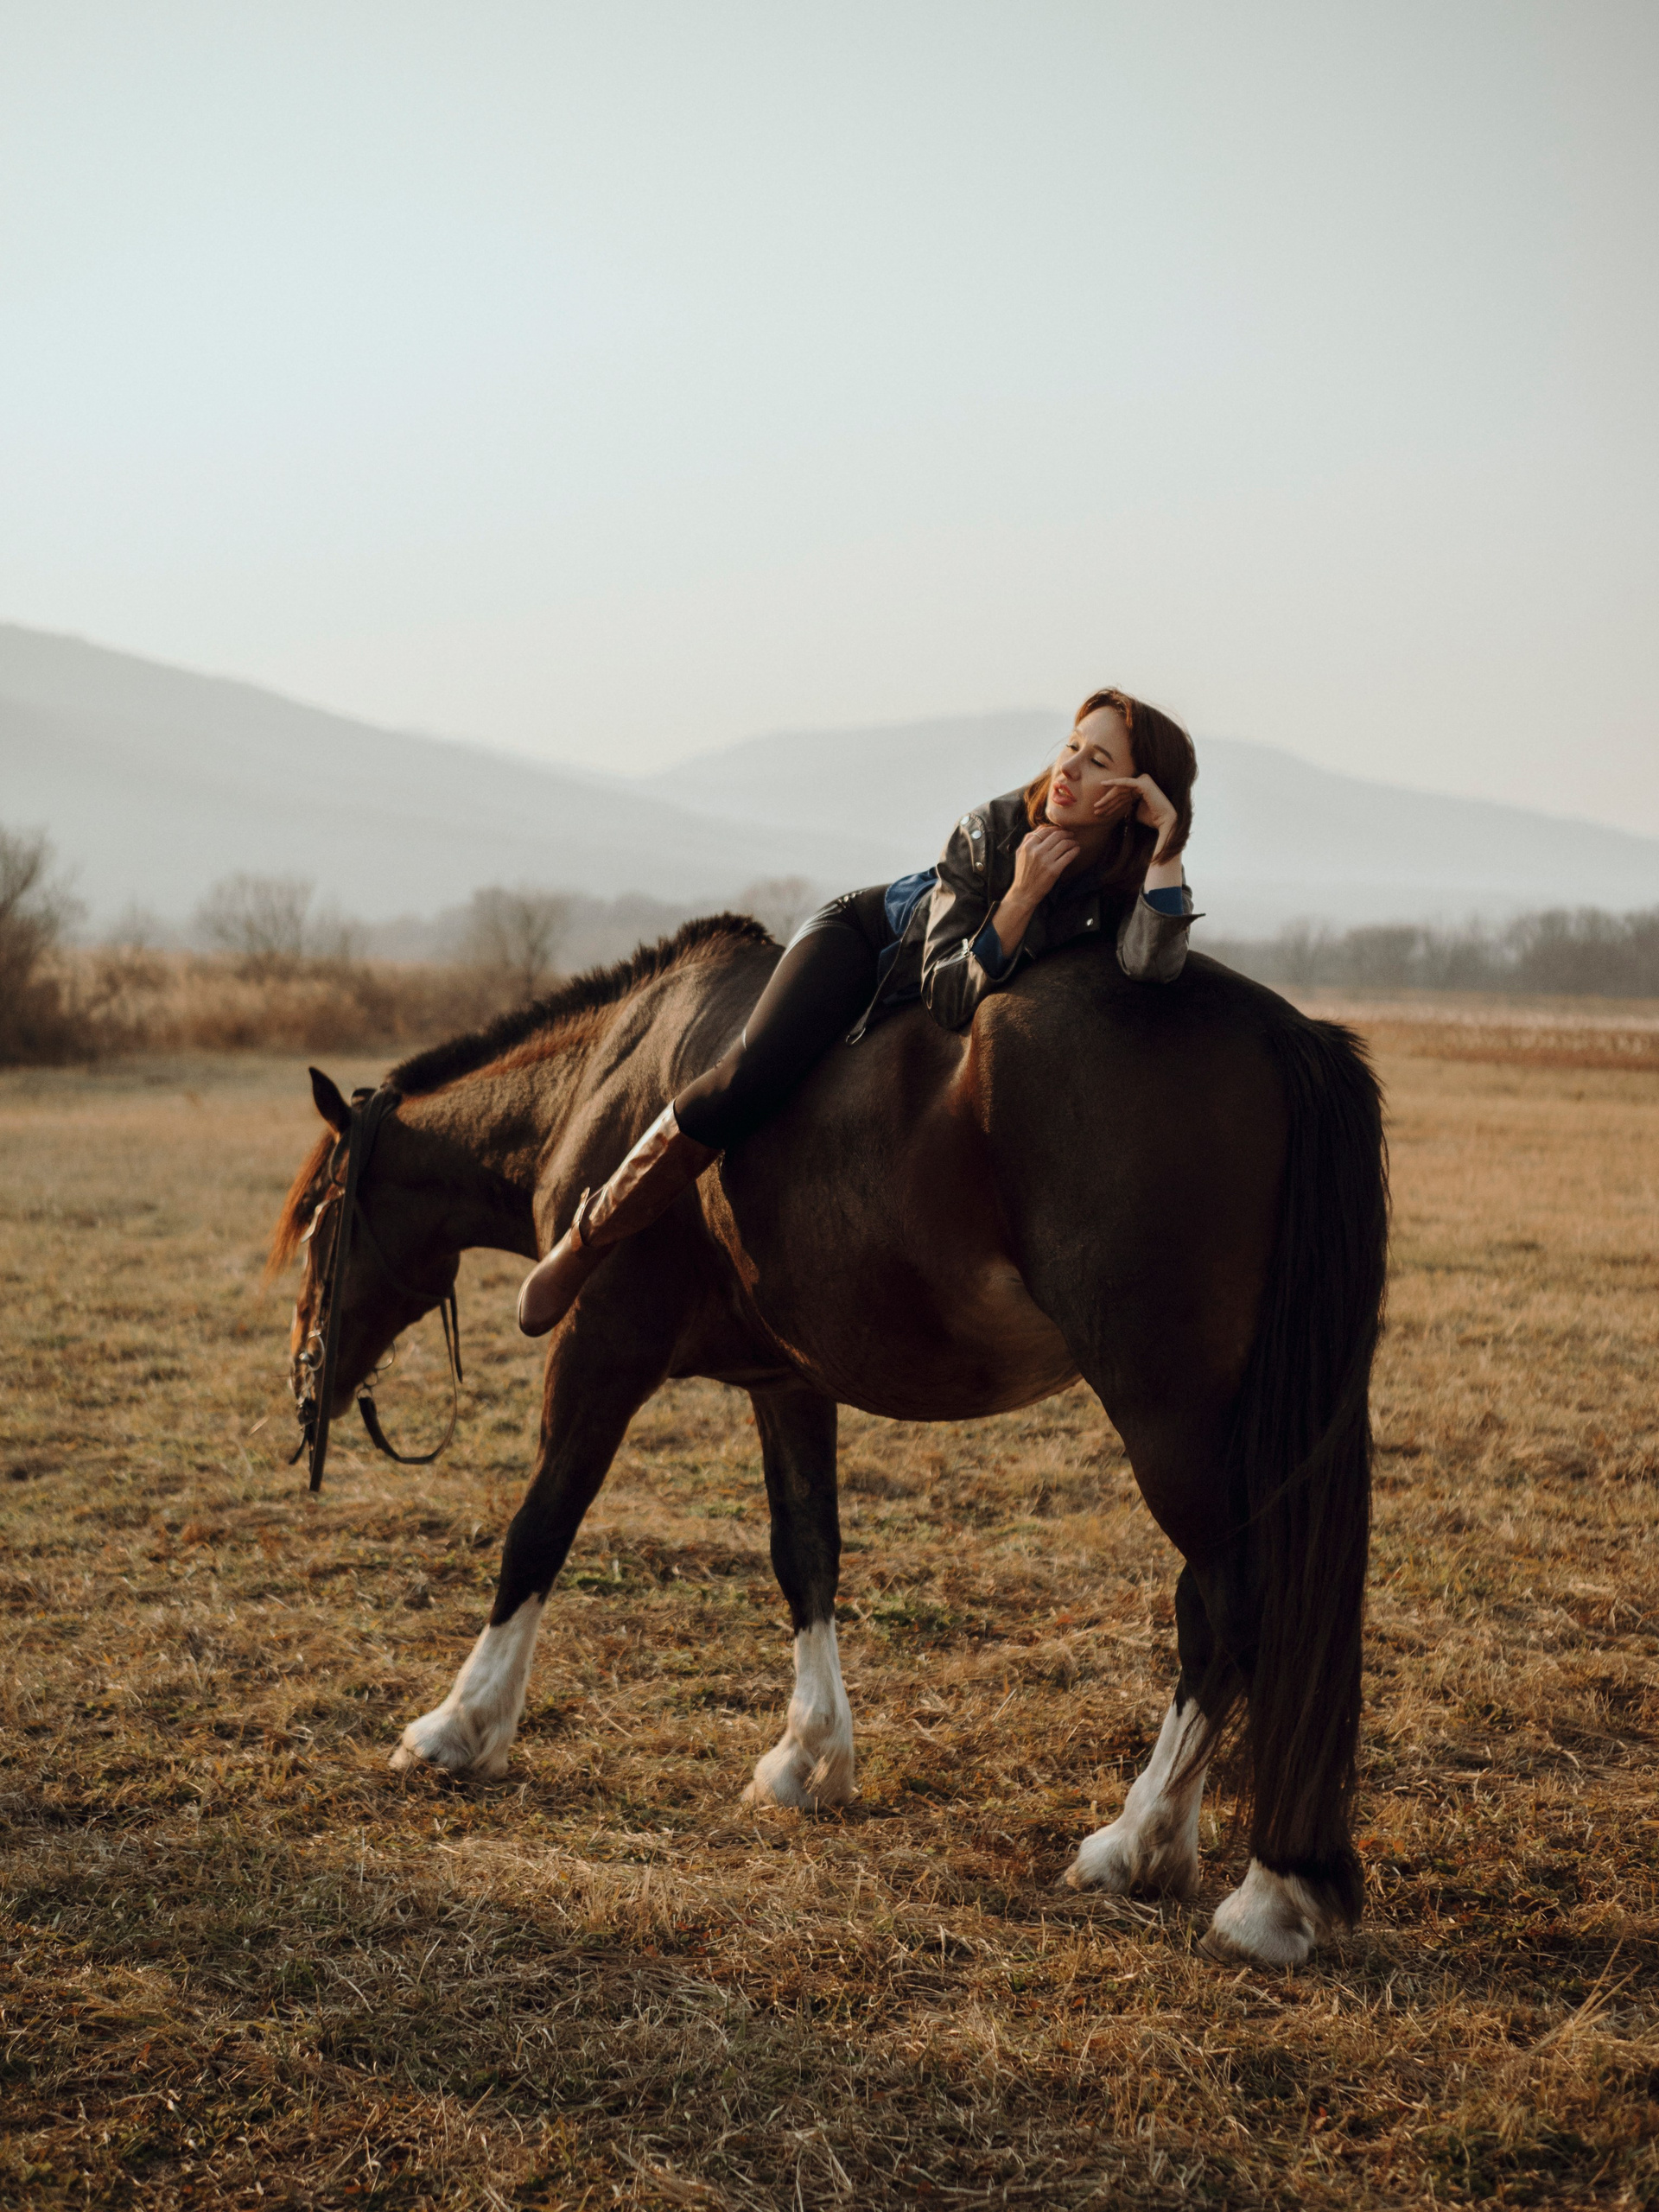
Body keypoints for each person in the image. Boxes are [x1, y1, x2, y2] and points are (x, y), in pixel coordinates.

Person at [517, 687, 1198, 1335]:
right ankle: (585, 1240)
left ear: (1135, 797)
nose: (1068, 768)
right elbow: (945, 994)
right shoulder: (989, 831)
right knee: (745, 1081)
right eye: (1072, 745)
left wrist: (1169, 844)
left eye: (1098, 761)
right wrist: (1020, 899)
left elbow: (1151, 967)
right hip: (869, 943)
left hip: (974, 952)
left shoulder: (1129, 872)